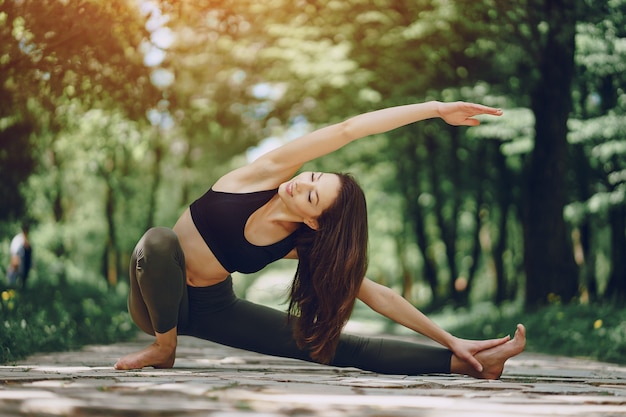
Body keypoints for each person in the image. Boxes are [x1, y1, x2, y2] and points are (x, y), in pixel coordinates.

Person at [114, 100, 526, 379]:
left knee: (335, 347)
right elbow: (349, 129)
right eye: (311, 178)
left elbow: (375, 293)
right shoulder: (262, 175)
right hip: (154, 298)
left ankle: (471, 365)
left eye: (310, 196)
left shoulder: (300, 241)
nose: (299, 185)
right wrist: (435, 109)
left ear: (314, 223)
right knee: (159, 241)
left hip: (213, 307)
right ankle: (163, 348)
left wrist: (451, 339)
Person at [7, 223, 32, 289]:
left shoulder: (26, 240)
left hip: (23, 267)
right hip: (16, 265)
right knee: (13, 283)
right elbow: (14, 255)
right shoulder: (17, 240)